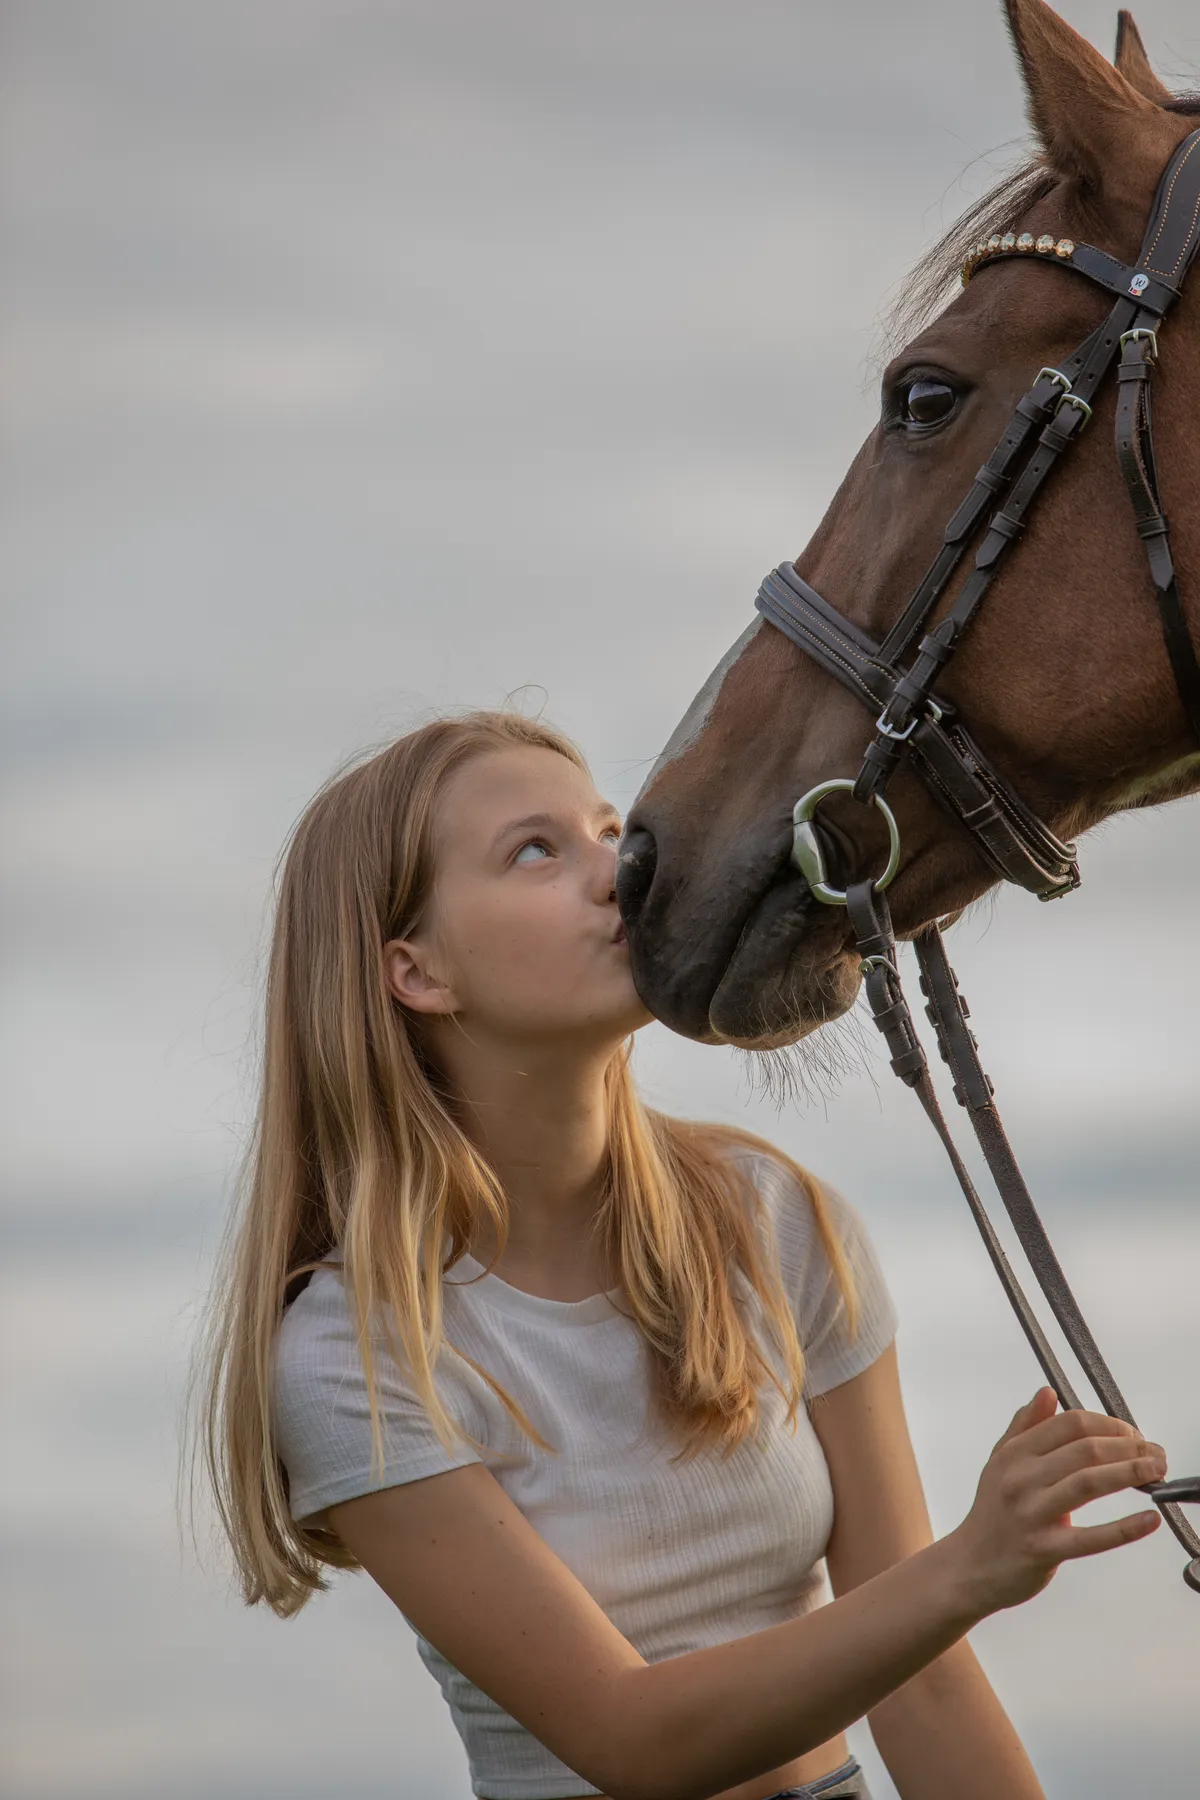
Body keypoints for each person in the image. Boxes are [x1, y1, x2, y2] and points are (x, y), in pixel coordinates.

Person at [195, 708, 1167, 1800]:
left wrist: (954, 1586)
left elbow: (925, 1684)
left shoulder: (780, 1219)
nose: (622, 873)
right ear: (417, 973)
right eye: (536, 850)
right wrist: (970, 1568)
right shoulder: (350, 1352)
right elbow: (629, 1741)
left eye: (608, 831)